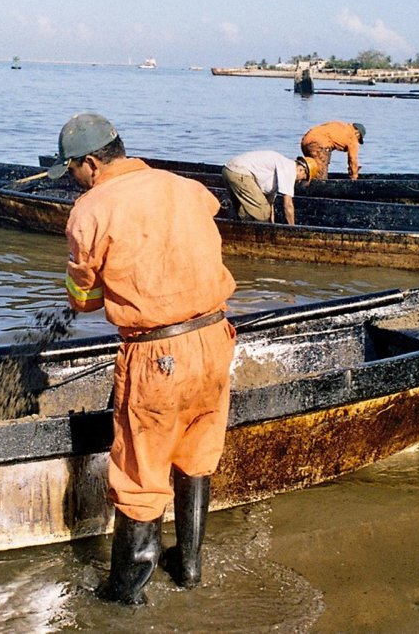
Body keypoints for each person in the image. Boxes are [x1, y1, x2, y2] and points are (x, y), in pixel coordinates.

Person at [50, 113, 238, 605]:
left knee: (139, 470)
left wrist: (84, 286)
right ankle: (190, 566)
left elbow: (83, 300)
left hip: (158, 354)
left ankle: (126, 593)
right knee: (197, 454)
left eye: (71, 170)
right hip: (216, 338)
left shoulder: (91, 209)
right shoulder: (187, 187)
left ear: (90, 163)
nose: (72, 180)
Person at [222, 151, 317, 225]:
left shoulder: (280, 171)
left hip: (228, 170)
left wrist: (272, 224)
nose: (299, 181)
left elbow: (269, 203)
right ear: (301, 170)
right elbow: (288, 205)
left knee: (243, 210)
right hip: (239, 172)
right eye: (303, 178)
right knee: (262, 211)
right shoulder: (290, 169)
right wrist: (292, 229)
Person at [300, 121, 365, 180]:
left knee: (311, 170)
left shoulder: (339, 125)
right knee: (321, 177)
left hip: (305, 141)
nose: (357, 142)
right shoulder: (352, 136)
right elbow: (353, 159)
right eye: (359, 139)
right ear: (357, 134)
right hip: (318, 144)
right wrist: (354, 176)